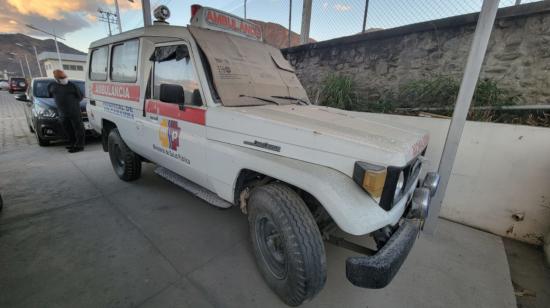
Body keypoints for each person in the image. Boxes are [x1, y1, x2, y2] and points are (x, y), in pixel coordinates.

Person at [48, 70, 85, 153]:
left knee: (78, 128)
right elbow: (51, 95)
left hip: (74, 111)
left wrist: (72, 103)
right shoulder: (52, 86)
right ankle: (72, 143)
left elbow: (80, 96)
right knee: (68, 129)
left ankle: (79, 145)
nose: (64, 79)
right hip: (62, 112)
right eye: (62, 78)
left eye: (65, 77)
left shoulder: (72, 85)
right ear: (56, 79)